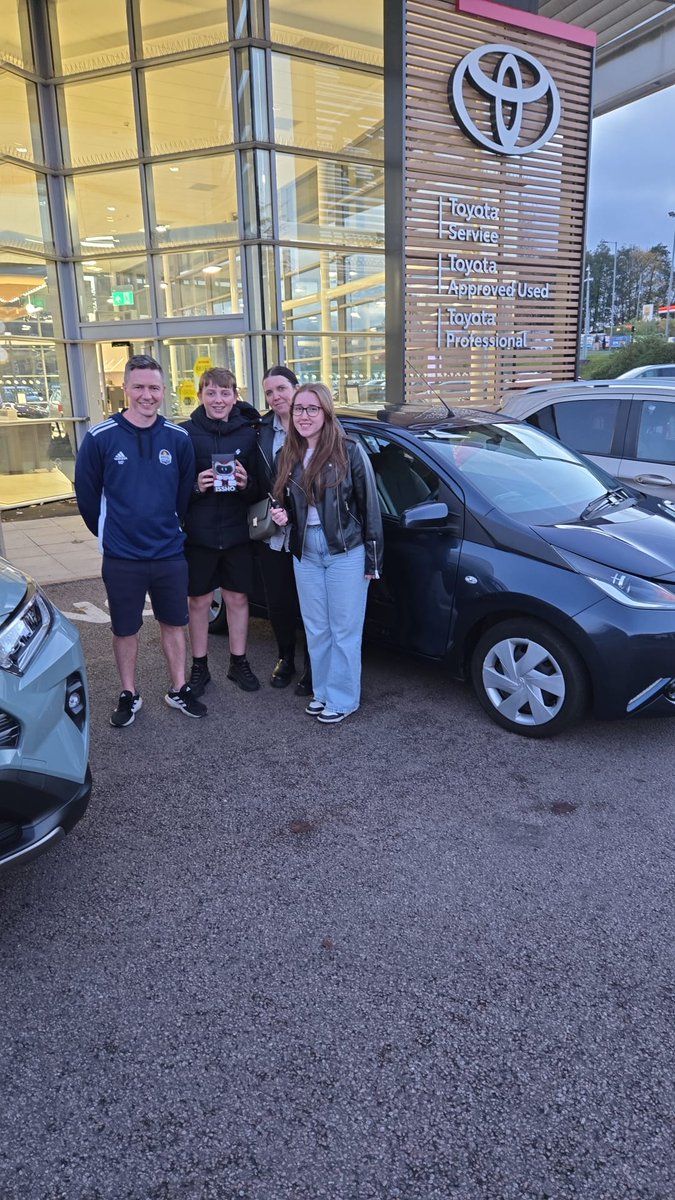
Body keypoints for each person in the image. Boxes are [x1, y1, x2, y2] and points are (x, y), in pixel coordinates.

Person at [75, 354, 206, 726]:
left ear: (163, 390)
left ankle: (178, 688)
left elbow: (183, 494)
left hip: (168, 553)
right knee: (124, 628)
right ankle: (129, 693)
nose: (147, 395)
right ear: (125, 389)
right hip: (122, 556)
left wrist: (169, 526)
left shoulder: (178, 438)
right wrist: (110, 532)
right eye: (139, 387)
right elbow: (86, 496)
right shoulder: (100, 437)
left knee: (173, 623)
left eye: (154, 388)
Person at [271, 382, 383, 725]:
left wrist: (373, 560)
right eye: (298, 409)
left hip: (345, 551)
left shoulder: (349, 450)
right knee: (316, 628)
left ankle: (343, 699)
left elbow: (370, 507)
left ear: (326, 412)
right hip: (305, 551)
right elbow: (287, 503)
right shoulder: (287, 454)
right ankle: (322, 693)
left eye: (312, 409)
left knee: (344, 630)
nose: (304, 416)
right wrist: (283, 515)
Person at [181, 367, 260, 696]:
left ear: (235, 397)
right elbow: (174, 491)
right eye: (211, 393)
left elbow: (260, 490)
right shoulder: (184, 434)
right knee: (199, 601)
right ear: (200, 396)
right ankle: (199, 665)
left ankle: (238, 662)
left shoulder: (249, 434)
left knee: (237, 598)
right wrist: (195, 487)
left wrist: (246, 483)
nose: (218, 399)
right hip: (198, 535)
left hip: (237, 533)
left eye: (225, 393)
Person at [256, 365, 311, 695]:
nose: (275, 396)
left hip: (310, 533)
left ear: (296, 388)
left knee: (311, 605)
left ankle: (313, 666)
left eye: (281, 389)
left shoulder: (315, 425)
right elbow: (260, 477)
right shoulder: (262, 429)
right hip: (274, 534)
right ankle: (285, 658)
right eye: (269, 392)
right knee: (279, 601)